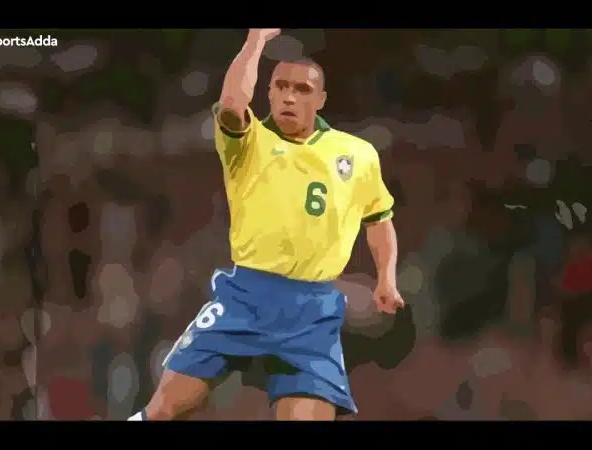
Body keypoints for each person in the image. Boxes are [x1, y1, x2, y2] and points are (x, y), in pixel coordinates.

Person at [128, 28, 404, 421]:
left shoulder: (357, 154)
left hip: (312, 311)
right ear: (269, 93)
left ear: (321, 100)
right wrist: (256, 40)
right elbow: (231, 104)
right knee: (163, 411)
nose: (290, 97)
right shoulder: (247, 142)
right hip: (245, 295)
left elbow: (378, 218)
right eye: (281, 87)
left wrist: (386, 278)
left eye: (303, 90)